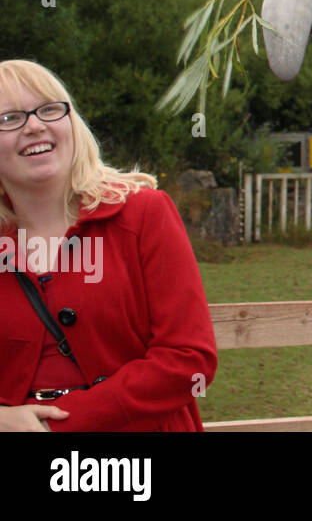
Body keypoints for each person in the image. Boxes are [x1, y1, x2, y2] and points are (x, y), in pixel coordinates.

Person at [0, 60, 216, 431]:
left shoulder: (144, 213)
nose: (34, 125)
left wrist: (58, 426)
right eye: (9, 118)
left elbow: (188, 359)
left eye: (49, 110)